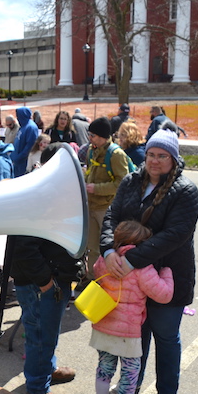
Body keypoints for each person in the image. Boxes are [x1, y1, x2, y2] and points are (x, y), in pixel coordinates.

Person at [100, 129, 198, 394]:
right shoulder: (132, 181)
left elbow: (176, 234)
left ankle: (166, 393)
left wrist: (131, 261)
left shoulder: (185, 190)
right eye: (151, 154)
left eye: (162, 156)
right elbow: (111, 217)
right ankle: (131, 386)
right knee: (136, 337)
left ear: (173, 159)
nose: (154, 161)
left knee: (166, 336)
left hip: (168, 276)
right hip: (131, 281)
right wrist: (108, 251)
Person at [9, 143, 82, 394]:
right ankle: (38, 389)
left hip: (47, 279)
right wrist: (47, 284)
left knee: (46, 331)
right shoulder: (37, 195)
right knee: (40, 334)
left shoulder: (47, 189)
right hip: (39, 282)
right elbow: (24, 247)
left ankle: (47, 370)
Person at [91, 220, 174, 394]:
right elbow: (163, 295)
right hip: (128, 331)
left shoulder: (105, 260)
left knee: (104, 367)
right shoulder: (141, 267)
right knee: (130, 370)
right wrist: (167, 273)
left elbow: (94, 269)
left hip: (102, 325)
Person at [81, 117, 130, 292]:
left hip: (106, 208)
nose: (90, 138)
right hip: (91, 205)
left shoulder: (116, 154)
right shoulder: (91, 150)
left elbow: (122, 183)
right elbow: (90, 171)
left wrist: (97, 188)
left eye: (92, 135)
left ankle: (109, 282)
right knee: (92, 247)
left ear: (102, 136)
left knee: (109, 248)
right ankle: (93, 279)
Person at [11, 107, 39, 177]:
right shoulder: (23, 126)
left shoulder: (31, 127)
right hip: (17, 162)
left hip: (23, 162)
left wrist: (18, 157)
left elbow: (29, 146)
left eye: (18, 115)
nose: (17, 118)